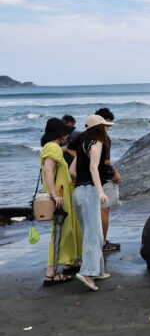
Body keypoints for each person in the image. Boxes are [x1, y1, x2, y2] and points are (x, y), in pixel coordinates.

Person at [39, 118, 82, 286]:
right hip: (59, 198)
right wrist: (55, 194)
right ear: (59, 134)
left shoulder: (52, 148)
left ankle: (68, 263)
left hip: (62, 195)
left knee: (64, 232)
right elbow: (49, 170)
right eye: (65, 133)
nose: (67, 136)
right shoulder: (53, 148)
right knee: (59, 234)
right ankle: (51, 274)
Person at [71, 114, 112, 291]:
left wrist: (82, 180)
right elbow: (93, 167)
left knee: (93, 233)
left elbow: (72, 170)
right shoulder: (97, 143)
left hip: (78, 191)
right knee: (93, 234)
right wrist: (100, 191)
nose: (107, 129)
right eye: (105, 126)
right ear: (99, 128)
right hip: (89, 192)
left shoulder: (82, 145)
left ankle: (99, 271)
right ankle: (87, 273)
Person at [94, 107, 121, 253]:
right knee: (104, 210)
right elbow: (106, 162)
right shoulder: (104, 138)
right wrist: (115, 175)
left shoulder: (86, 136)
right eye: (107, 124)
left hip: (90, 180)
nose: (108, 128)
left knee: (94, 212)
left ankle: (95, 241)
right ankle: (103, 243)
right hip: (103, 179)